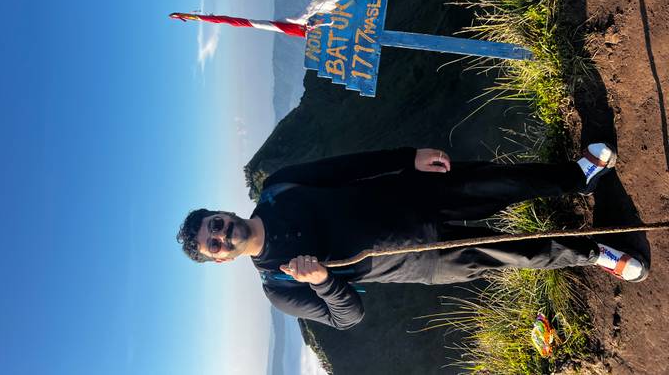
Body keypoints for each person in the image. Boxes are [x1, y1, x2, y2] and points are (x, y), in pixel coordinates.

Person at [176, 145, 648, 330]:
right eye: (213, 244)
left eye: (214, 224)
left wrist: (410, 157)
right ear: (220, 260)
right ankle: (596, 253)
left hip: (414, 193)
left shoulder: (278, 187)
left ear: (222, 213)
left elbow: (348, 165)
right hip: (418, 261)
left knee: (503, 183)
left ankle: (579, 176)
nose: (221, 234)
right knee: (517, 253)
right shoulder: (279, 289)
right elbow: (348, 316)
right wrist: (321, 281)